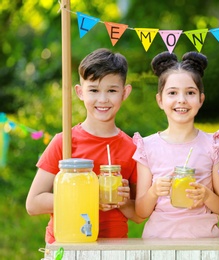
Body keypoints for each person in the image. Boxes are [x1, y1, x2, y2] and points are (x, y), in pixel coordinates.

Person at [26, 48, 144, 244]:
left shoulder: (133, 148)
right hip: (66, 244)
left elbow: (139, 215)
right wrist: (88, 198)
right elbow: (33, 204)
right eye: (94, 90)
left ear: (125, 93)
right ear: (80, 92)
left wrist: (123, 202)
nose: (103, 99)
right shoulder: (64, 142)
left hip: (113, 247)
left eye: (112, 90)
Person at [133, 51, 219, 238]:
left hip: (205, 244)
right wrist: (153, 192)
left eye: (190, 93)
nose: (182, 100)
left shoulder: (213, 145)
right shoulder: (147, 146)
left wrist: (207, 196)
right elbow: (140, 211)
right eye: (172, 93)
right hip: (159, 243)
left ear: (201, 99)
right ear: (160, 100)